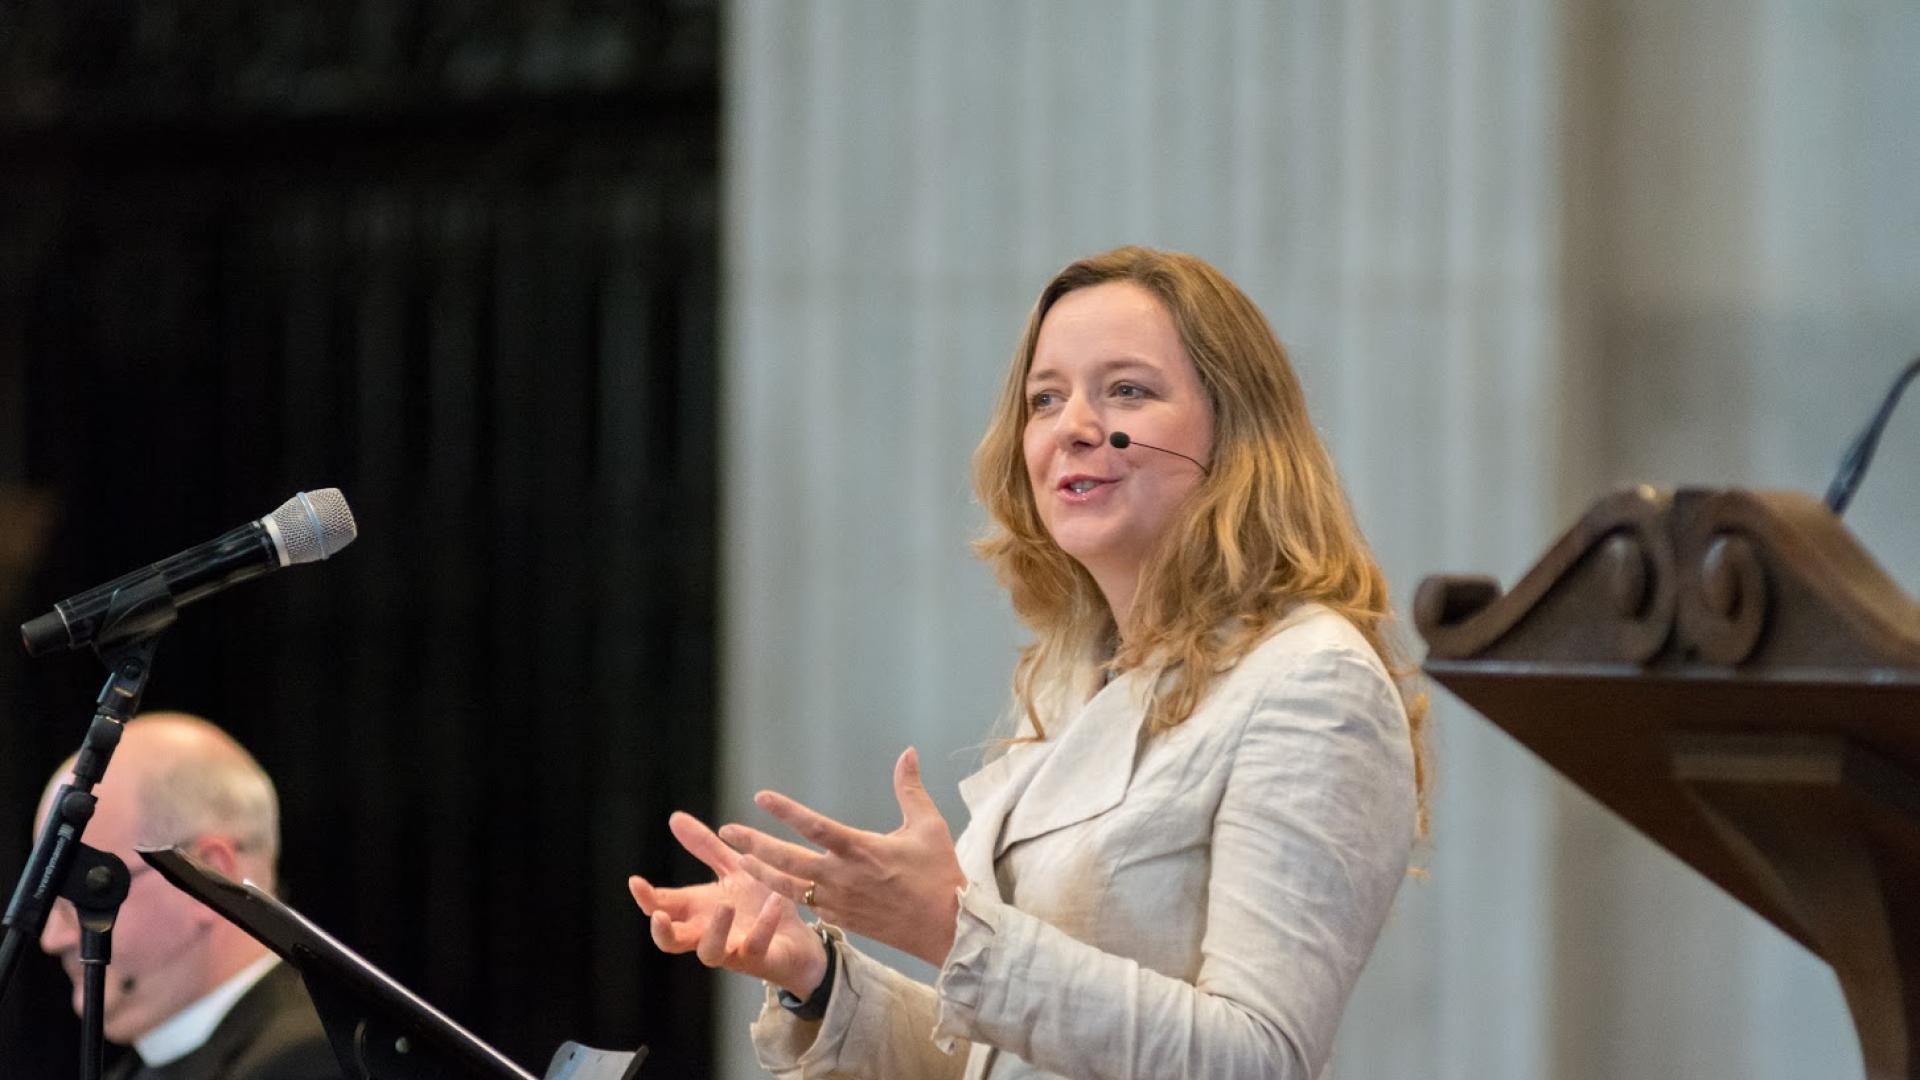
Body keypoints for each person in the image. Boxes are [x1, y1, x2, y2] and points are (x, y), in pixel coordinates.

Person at [629, 246, 1427, 1078]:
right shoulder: (1074, 677)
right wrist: (818, 978)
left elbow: (1257, 1061)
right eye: (1045, 399)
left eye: (1127, 391)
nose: (1075, 426)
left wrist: (947, 930)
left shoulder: (1311, 682)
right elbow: (1007, 1058)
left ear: (1239, 432)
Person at [35, 712, 340, 1080]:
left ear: (209, 879)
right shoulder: (148, 1063)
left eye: (85, 891)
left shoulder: (311, 1062)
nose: (52, 938)